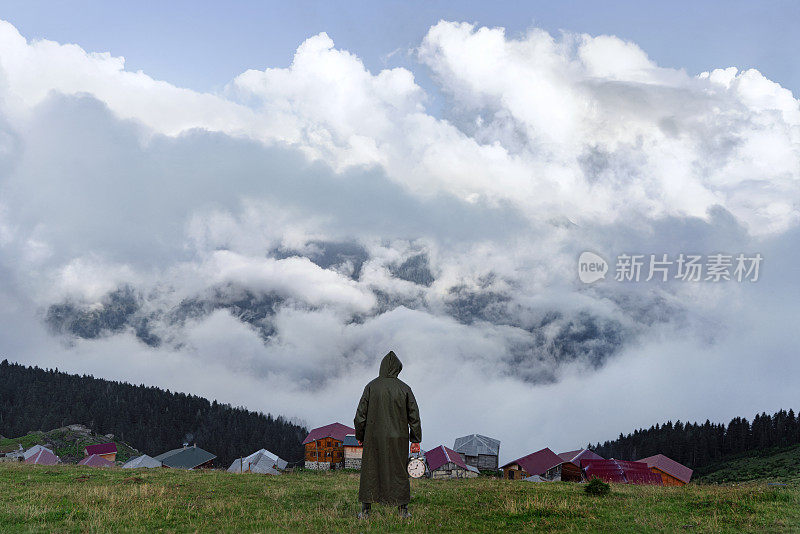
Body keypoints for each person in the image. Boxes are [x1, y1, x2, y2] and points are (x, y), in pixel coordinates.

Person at [354, 351, 422, 519]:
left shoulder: (371, 386)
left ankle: (366, 511)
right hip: (399, 438)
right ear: (397, 369)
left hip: (373, 437)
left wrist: (360, 436)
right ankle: (403, 511)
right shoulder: (405, 388)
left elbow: (360, 415)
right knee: (399, 471)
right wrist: (415, 439)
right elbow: (414, 416)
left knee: (371, 469)